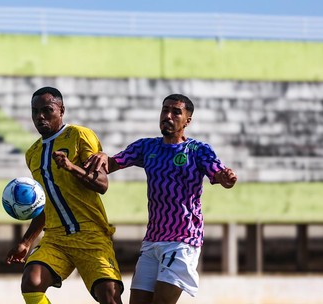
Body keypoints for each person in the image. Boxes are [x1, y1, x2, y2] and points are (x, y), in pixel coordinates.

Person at [85, 93, 237, 304]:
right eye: (165, 110)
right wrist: (102, 157)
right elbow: (111, 164)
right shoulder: (147, 147)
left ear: (187, 120)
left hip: (183, 241)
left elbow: (218, 174)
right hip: (152, 241)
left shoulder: (198, 150)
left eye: (176, 112)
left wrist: (226, 177)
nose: (168, 115)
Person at [6, 87, 124, 304]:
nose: (40, 116)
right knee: (31, 282)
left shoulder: (80, 135)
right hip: (56, 238)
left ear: (61, 110)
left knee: (109, 295)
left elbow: (102, 184)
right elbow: (46, 204)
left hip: (91, 234)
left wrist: (71, 167)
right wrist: (26, 242)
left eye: (47, 110)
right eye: (35, 111)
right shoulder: (32, 153)